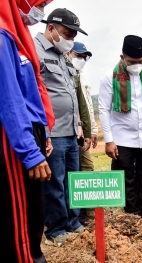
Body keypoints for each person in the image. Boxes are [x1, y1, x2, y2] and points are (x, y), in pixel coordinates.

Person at [0, 0, 55, 261]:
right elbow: (8, 98)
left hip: (30, 132)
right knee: (21, 217)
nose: (40, 10)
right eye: (40, 3)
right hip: (14, 140)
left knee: (34, 213)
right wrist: (29, 151)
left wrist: (43, 133)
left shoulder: (17, 35)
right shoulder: (1, 34)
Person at [34, 8, 88, 245]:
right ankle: (55, 229)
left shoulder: (63, 56)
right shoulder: (33, 50)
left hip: (70, 130)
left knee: (72, 181)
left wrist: (79, 123)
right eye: (68, 34)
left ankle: (72, 222)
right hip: (51, 132)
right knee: (55, 182)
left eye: (74, 36)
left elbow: (72, 93)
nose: (71, 40)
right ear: (51, 28)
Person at [99, 35, 142, 221]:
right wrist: (109, 141)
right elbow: (103, 109)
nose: (137, 65)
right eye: (131, 62)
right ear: (122, 58)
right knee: (126, 178)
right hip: (121, 138)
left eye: (140, 61)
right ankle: (130, 214)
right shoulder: (109, 77)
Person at [70, 41, 98, 226]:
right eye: (78, 56)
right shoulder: (68, 75)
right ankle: (76, 215)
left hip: (83, 132)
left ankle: (86, 213)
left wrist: (92, 129)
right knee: (73, 173)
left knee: (87, 169)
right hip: (72, 130)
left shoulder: (83, 78)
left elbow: (87, 106)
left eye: (84, 57)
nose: (82, 59)